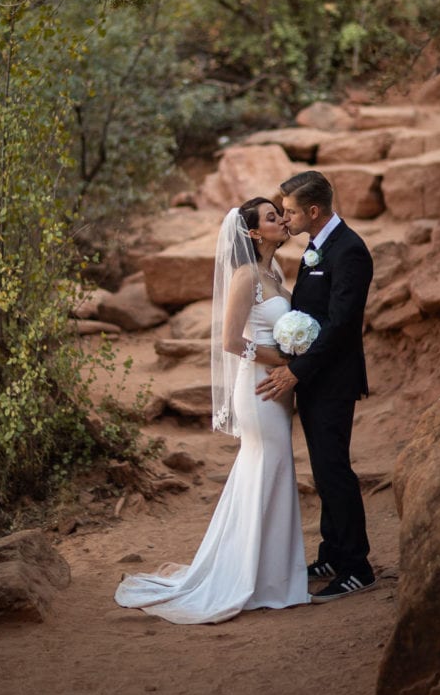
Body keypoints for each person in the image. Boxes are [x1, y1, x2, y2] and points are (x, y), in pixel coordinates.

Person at [114, 198, 310, 624]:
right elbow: (230, 342)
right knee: (269, 470)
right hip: (259, 388)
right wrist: (284, 362)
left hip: (277, 387)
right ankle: (256, 582)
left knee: (269, 475)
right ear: (254, 233)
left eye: (280, 214)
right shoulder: (245, 277)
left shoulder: (272, 272)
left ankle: (271, 577)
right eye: (272, 218)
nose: (281, 221)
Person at [256, 170, 375, 602]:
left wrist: (297, 370)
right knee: (323, 470)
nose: (284, 218)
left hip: (333, 378)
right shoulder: (316, 248)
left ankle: (356, 565)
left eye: (288, 211)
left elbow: (342, 325)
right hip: (315, 377)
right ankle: (331, 551)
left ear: (312, 210)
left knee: (334, 470)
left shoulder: (350, 252)